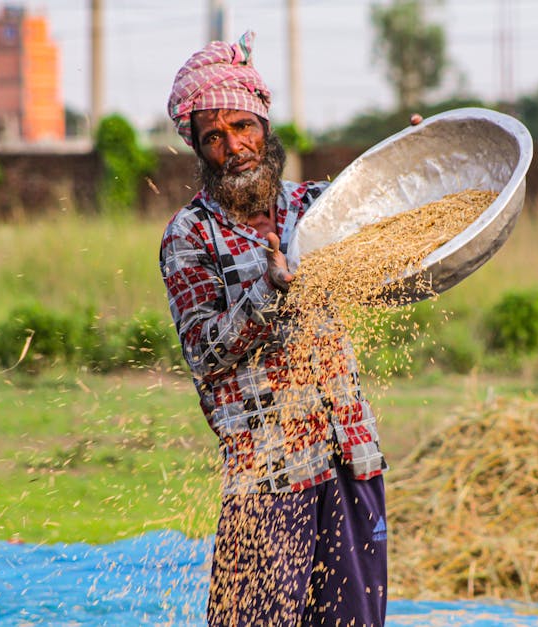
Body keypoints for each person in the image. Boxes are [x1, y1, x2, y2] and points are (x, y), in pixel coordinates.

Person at [160, 31, 388, 626]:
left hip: (349, 454)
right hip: (269, 469)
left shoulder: (318, 207)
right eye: (214, 137)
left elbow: (395, 219)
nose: (234, 146)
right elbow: (206, 351)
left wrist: (412, 158)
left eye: (243, 126)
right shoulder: (190, 236)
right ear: (199, 150)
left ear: (265, 125)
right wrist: (268, 294)